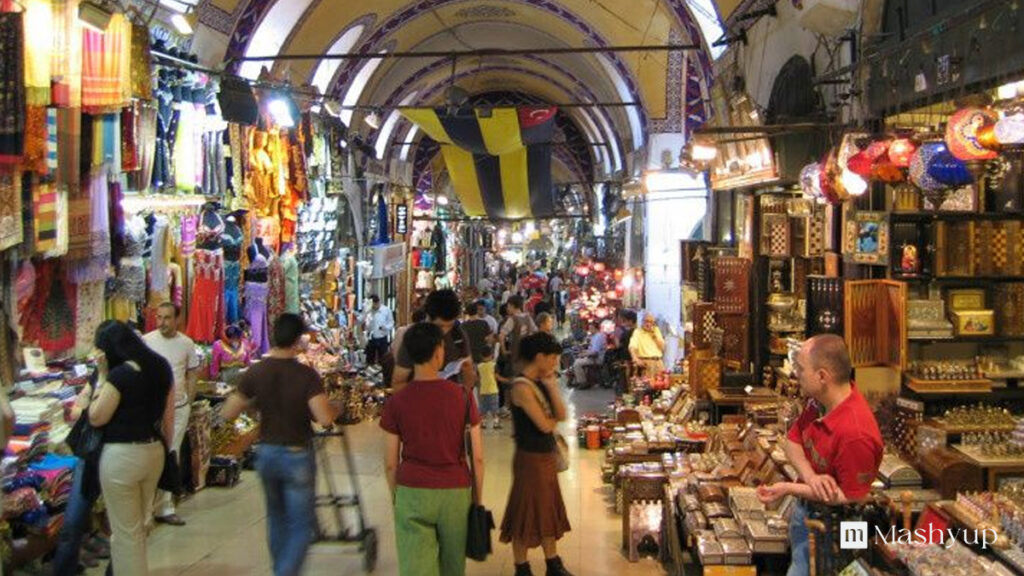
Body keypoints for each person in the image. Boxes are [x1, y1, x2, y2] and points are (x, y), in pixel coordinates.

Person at [220, 313, 338, 576]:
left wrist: (253, 405)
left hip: (267, 453)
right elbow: (323, 417)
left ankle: (279, 568)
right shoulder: (306, 376)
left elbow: (227, 413)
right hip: (296, 454)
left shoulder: (256, 371)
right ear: (298, 340)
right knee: (300, 524)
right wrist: (334, 409)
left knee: (276, 517)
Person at [756, 335, 883, 576]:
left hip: (844, 527)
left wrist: (789, 488)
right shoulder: (818, 403)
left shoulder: (856, 433)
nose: (796, 375)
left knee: (845, 570)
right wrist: (811, 477)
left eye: (801, 369)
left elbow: (849, 496)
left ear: (822, 376)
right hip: (808, 518)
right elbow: (792, 441)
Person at [381, 322, 485, 576]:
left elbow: (390, 463)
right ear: (440, 352)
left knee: (416, 568)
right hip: (455, 491)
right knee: (452, 567)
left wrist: (398, 496)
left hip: (412, 490)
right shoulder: (462, 396)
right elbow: (478, 458)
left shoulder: (396, 401)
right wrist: (476, 501)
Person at [88, 321, 174, 576]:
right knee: (140, 526)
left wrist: (101, 378)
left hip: (122, 457)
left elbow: (97, 417)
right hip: (153, 450)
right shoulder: (160, 366)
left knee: (126, 535)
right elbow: (167, 414)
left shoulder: (121, 374)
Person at [500, 333, 573, 576]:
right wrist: (551, 420)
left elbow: (561, 415)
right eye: (552, 358)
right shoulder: (520, 387)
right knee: (526, 512)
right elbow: (544, 425)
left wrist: (552, 386)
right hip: (529, 458)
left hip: (544, 456)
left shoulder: (542, 381)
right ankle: (522, 567)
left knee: (546, 509)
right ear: (540, 357)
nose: (555, 363)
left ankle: (552, 562)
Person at [142, 303, 199, 527]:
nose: (162, 323)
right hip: (153, 407)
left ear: (177, 319)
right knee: (152, 454)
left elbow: (192, 373)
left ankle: (165, 506)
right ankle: (147, 507)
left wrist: (189, 400)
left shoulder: (186, 343)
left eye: (167, 318)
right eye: (159, 318)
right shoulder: (147, 341)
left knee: (171, 452)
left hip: (178, 408)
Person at [51, 373, 110, 575]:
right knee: (75, 517)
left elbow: (92, 414)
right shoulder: (100, 375)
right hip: (91, 453)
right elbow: (77, 411)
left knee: (119, 525)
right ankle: (69, 560)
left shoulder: (124, 376)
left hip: (116, 456)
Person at [392, 289, 477, 393]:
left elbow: (469, 374)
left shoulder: (458, 335)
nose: (445, 331)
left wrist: (467, 382)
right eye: (440, 326)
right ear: (428, 318)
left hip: (450, 402)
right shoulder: (414, 338)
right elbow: (398, 383)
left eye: (449, 326)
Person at [572, 324, 606, 390]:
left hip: (597, 359)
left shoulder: (598, 337)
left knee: (577, 363)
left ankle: (583, 382)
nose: (590, 330)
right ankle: (581, 379)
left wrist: (583, 355)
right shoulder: (594, 336)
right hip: (593, 357)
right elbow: (591, 349)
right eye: (589, 328)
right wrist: (584, 352)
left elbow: (595, 352)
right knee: (578, 358)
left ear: (595, 328)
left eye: (591, 328)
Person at [363, 295, 394, 366]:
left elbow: (391, 323)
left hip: (382, 337)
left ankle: (382, 374)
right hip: (371, 338)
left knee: (383, 359)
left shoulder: (386, 310)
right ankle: (369, 372)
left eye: (375, 305)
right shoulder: (369, 311)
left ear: (378, 302)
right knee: (370, 359)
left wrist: (385, 327)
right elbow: (364, 322)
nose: (374, 307)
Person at [478, 347, 501, 430]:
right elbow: (497, 377)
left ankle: (483, 423)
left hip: (483, 391)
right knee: (494, 408)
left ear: (481, 356)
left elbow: (478, 378)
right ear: (491, 355)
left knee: (483, 409)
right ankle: (496, 423)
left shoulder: (479, 366)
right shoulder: (494, 365)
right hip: (493, 390)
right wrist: (507, 380)